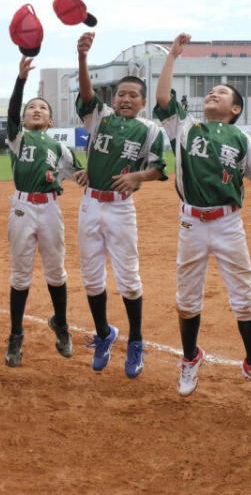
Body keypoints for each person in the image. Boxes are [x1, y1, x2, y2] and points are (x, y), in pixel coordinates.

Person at [154, 32, 251, 396]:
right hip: (191, 221)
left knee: (244, 295)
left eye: (224, 93)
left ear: (236, 109)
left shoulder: (244, 141)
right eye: (211, 91)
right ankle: (190, 357)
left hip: (228, 223)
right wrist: (173, 58)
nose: (214, 93)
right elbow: (163, 98)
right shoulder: (185, 126)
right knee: (187, 298)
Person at [75, 31, 167, 378]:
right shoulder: (100, 119)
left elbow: (159, 169)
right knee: (91, 278)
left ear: (142, 102)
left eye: (133, 95)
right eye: (121, 94)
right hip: (90, 205)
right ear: (113, 99)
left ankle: (136, 341)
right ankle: (103, 335)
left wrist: (137, 178)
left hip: (120, 208)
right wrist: (82, 57)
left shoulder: (150, 130)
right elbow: (86, 93)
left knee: (128, 279)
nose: (126, 99)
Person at [4, 55, 81, 367]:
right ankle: (15, 335)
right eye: (31, 108)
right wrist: (21, 81)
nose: (36, 110)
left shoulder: (61, 149)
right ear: (24, 119)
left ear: (51, 120)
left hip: (50, 210)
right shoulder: (18, 138)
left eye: (43, 108)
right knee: (21, 276)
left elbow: (81, 176)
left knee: (55, 271)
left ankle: (60, 324)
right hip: (22, 208)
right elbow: (11, 112)